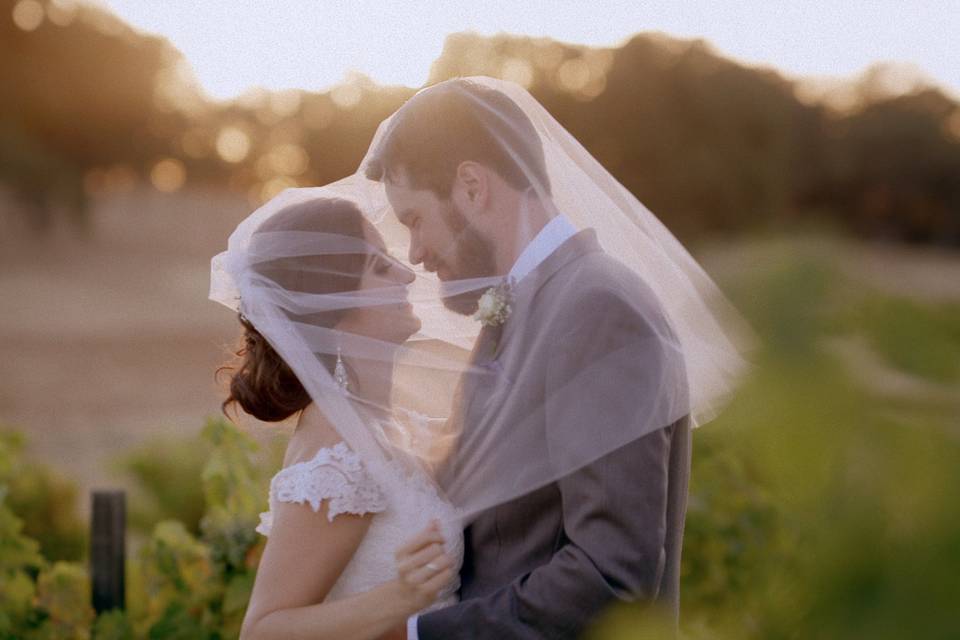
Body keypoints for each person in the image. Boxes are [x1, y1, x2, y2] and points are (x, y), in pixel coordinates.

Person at [359, 77, 750, 639]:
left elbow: (610, 574)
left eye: (415, 220)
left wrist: (420, 635)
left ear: (472, 186)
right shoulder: (521, 309)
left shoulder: (597, 309)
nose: (416, 254)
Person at [211, 196, 462, 640]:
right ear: (334, 305)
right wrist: (400, 598)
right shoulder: (338, 456)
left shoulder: (383, 424)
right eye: (382, 267)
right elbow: (264, 631)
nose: (407, 274)